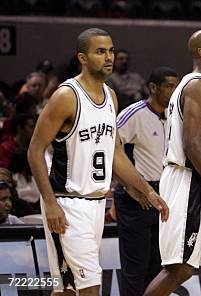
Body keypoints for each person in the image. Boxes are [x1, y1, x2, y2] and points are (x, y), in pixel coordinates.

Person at [27, 28, 168, 295]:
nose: (109, 57)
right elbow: (34, 150)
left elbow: (115, 154)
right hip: (67, 203)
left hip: (96, 204)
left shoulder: (111, 96)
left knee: (67, 289)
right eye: (100, 51)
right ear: (82, 57)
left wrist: (146, 189)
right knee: (90, 287)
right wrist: (49, 202)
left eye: (111, 50)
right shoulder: (66, 96)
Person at [144, 30, 201, 296]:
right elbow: (192, 145)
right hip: (189, 183)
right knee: (180, 268)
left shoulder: (199, 87)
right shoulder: (197, 86)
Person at [114, 66, 179, 296]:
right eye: (170, 86)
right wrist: (129, 186)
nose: (175, 91)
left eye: (176, 86)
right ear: (153, 88)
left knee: (160, 266)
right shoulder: (133, 114)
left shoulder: (176, 115)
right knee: (135, 269)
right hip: (138, 196)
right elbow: (109, 150)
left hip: (166, 193)